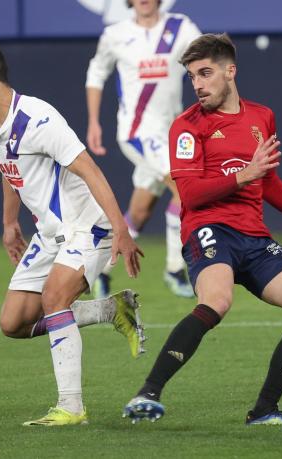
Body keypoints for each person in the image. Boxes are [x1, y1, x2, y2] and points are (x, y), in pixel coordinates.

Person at [122, 33, 282, 426]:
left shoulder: (261, 116)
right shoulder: (186, 127)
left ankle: (264, 410)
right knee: (216, 301)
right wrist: (243, 174)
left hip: (253, 237)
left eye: (205, 73)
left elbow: (266, 181)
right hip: (209, 229)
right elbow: (190, 193)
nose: (198, 84)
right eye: (191, 76)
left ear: (230, 71)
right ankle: (146, 394)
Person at [0, 37, 145, 426]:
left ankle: (71, 407)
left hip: (88, 226)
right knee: (13, 323)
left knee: (55, 298)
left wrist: (121, 228)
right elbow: (10, 172)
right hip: (50, 233)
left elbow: (89, 170)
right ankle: (112, 308)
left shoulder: (40, 119)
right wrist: (9, 224)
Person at [85, 0, 201, 298]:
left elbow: (206, 58)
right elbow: (96, 73)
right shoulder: (116, 34)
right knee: (184, 188)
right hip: (137, 133)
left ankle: (100, 272)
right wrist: (94, 122)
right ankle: (175, 269)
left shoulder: (180, 27)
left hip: (173, 134)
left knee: (139, 211)